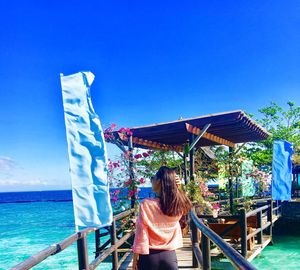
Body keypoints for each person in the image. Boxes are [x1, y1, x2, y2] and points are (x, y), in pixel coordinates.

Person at [132, 166, 192, 270]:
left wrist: (134, 260)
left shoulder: (147, 204)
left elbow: (141, 235)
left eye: (152, 178)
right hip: (170, 257)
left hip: (149, 258)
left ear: (159, 181)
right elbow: (185, 203)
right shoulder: (176, 205)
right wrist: (179, 188)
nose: (151, 181)